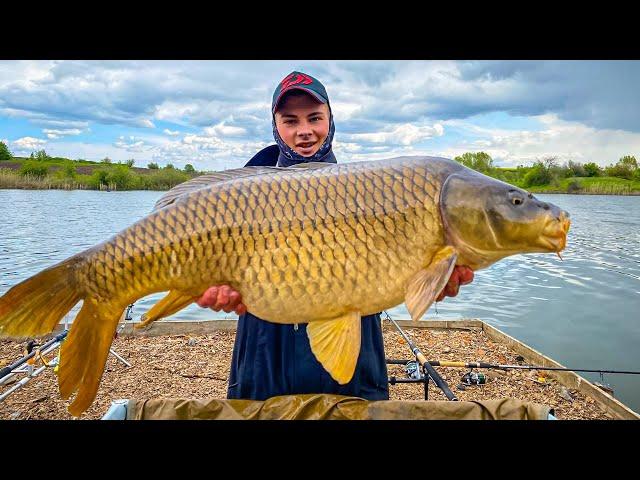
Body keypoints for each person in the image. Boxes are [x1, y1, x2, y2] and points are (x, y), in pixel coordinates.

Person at [195, 71, 474, 401]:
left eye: (315, 118)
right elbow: (212, 275)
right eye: (290, 120)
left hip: (352, 349)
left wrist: (431, 277)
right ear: (275, 127)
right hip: (265, 349)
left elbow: (415, 265)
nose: (304, 131)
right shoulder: (241, 198)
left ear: (331, 120)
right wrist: (208, 287)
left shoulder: (371, 192)